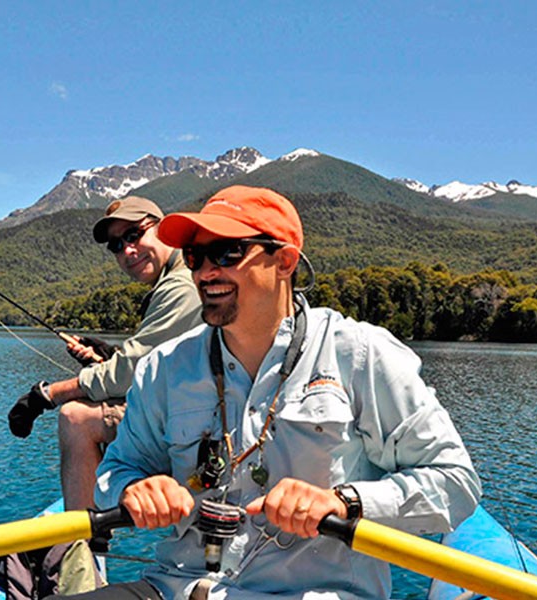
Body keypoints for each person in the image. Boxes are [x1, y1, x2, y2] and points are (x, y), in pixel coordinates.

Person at [75, 185, 482, 599]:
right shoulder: (163, 368)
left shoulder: (360, 354)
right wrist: (134, 488)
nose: (205, 273)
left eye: (227, 253)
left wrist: (344, 503)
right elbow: (117, 469)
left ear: (285, 261)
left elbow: (456, 484)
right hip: (175, 588)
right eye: (196, 257)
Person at [8, 196, 202, 511]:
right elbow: (157, 362)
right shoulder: (184, 273)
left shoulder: (181, 286)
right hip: (192, 410)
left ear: (163, 227)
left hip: (198, 426)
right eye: (115, 245)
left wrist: (46, 395)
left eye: (134, 234)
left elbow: (132, 372)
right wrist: (109, 356)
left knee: (76, 417)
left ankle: (82, 544)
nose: (127, 250)